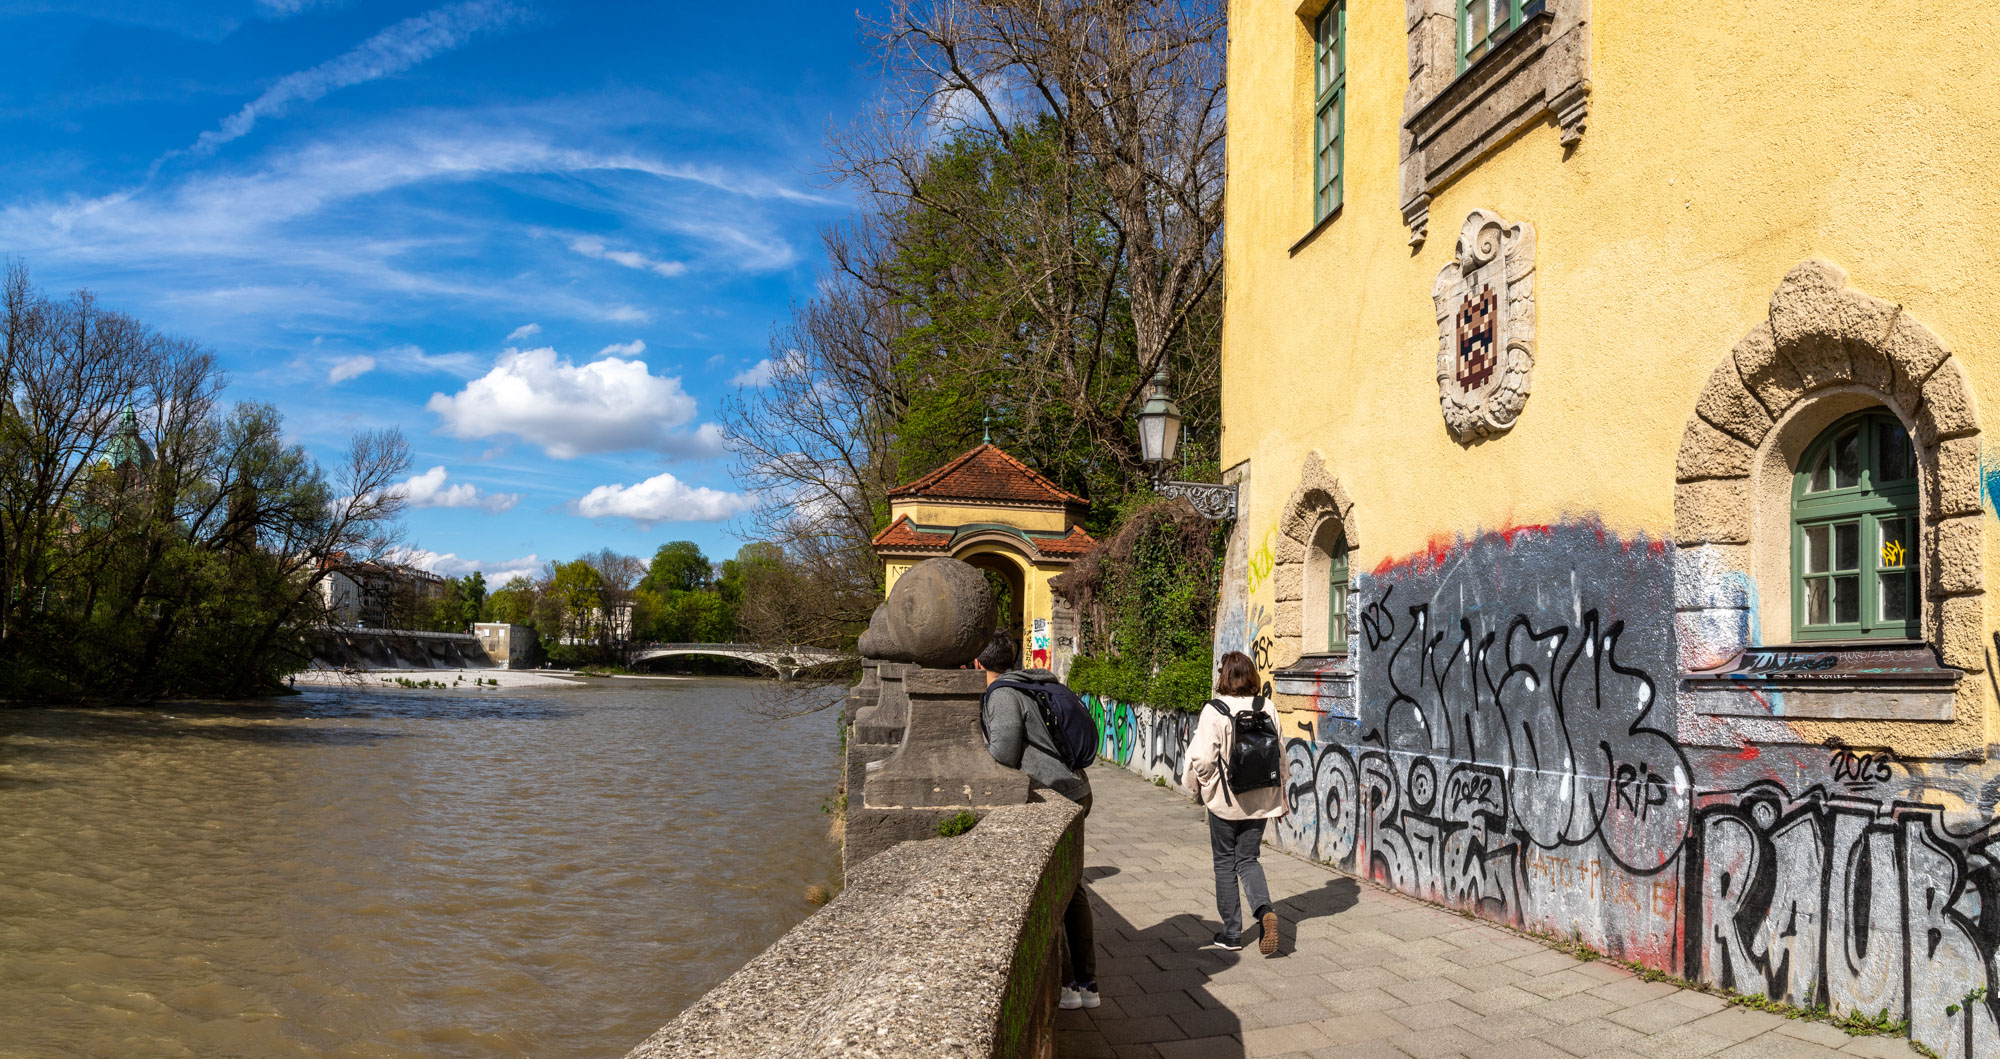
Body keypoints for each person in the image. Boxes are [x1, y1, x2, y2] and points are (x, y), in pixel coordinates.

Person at [975, 631, 1097, 1009]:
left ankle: (1070, 986)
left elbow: (1005, 753)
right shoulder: (1031, 681)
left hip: (1054, 793)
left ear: (978, 663)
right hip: (1076, 787)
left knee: (1054, 888)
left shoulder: (1003, 695)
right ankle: (1086, 984)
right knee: (1071, 885)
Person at [1182, 650, 1290, 955]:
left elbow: (1203, 759)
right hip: (1260, 799)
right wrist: (1281, 795)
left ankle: (1231, 934)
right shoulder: (1266, 706)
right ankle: (1264, 911)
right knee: (1249, 859)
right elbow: (1280, 752)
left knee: (1224, 864)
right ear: (1251, 676)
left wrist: (1206, 784)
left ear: (1224, 676)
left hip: (1226, 801)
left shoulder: (1214, 710)